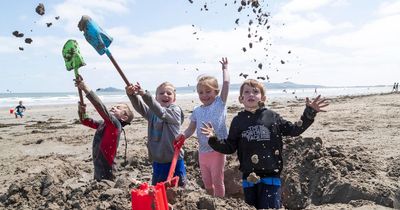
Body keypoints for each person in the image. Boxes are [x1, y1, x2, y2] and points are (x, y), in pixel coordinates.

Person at [201, 79, 328, 209]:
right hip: (249, 177)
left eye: (255, 92)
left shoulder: (272, 116)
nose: (251, 94)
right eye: (247, 92)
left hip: (271, 174)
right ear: (241, 98)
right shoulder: (238, 121)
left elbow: (294, 130)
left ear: (263, 98)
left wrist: (309, 113)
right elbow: (229, 146)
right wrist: (213, 139)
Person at [181, 57, 229, 197]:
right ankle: (211, 200)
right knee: (207, 182)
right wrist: (183, 136)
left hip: (218, 150)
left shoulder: (220, 104)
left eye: (208, 91)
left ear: (216, 92)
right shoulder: (197, 110)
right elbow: (191, 129)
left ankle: (220, 202)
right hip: (202, 152)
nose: (204, 95)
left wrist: (225, 69)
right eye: (201, 92)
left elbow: (226, 83)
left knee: (217, 180)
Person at [126, 81, 186, 187]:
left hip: (174, 159)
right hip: (157, 159)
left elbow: (161, 113)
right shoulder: (152, 113)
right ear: (156, 98)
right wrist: (132, 95)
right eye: (161, 93)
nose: (165, 95)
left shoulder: (175, 111)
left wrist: (145, 95)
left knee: (178, 186)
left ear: (174, 99)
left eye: (169, 93)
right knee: (158, 186)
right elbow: (140, 107)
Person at [75, 76, 134, 181]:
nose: (113, 107)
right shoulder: (105, 124)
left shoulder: (115, 125)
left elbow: (101, 108)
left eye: (118, 108)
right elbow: (85, 121)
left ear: (124, 117)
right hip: (98, 166)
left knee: (105, 185)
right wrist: (81, 111)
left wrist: (86, 89)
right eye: (114, 106)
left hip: (107, 171)